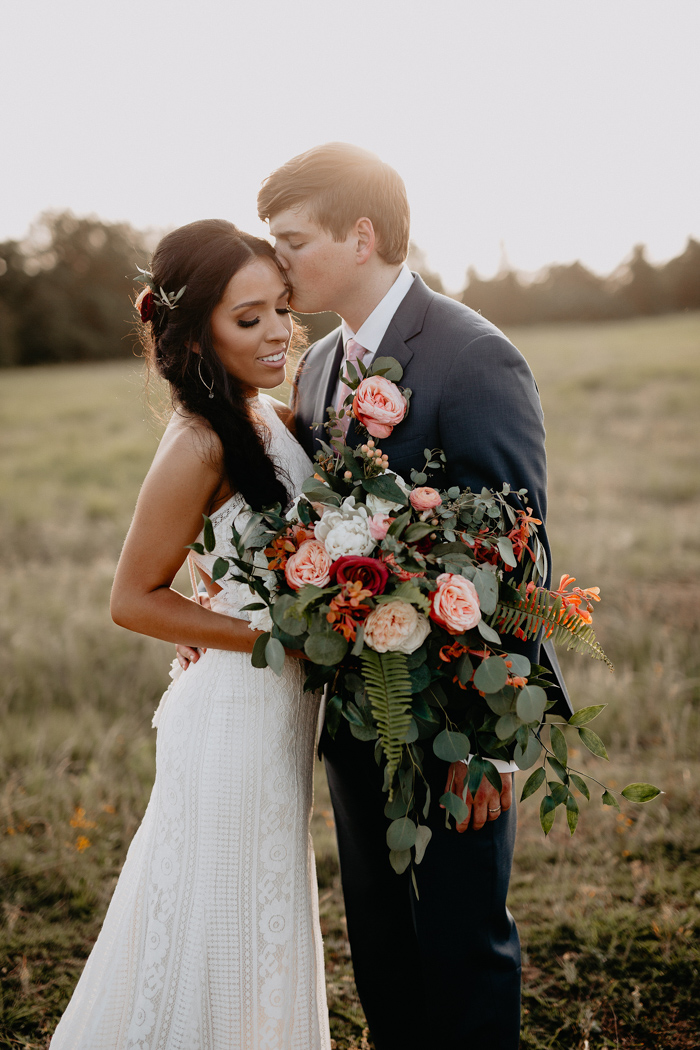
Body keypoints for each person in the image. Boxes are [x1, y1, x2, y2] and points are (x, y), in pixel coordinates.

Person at [255, 143, 573, 1049]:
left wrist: (492, 742)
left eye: (291, 241)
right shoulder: (317, 367)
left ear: (362, 235)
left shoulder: (477, 357)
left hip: (457, 717)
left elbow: (516, 556)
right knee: (381, 943)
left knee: (463, 944)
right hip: (362, 710)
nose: (277, 263)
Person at [49, 220, 331, 1050]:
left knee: (262, 906)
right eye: (250, 318)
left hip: (278, 710)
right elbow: (131, 598)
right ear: (196, 331)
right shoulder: (199, 440)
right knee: (226, 917)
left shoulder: (269, 415)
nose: (278, 331)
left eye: (282, 307)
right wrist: (266, 638)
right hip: (236, 716)